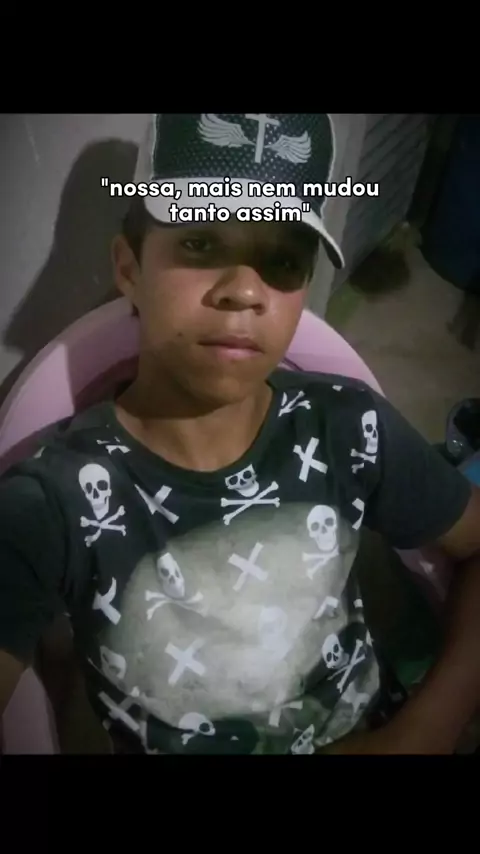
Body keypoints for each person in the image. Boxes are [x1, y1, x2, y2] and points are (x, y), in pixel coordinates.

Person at [1, 113, 480, 755]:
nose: (244, 290)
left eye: (281, 259)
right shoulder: (53, 502)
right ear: (129, 267)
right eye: (201, 242)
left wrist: (424, 730)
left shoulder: (349, 427)